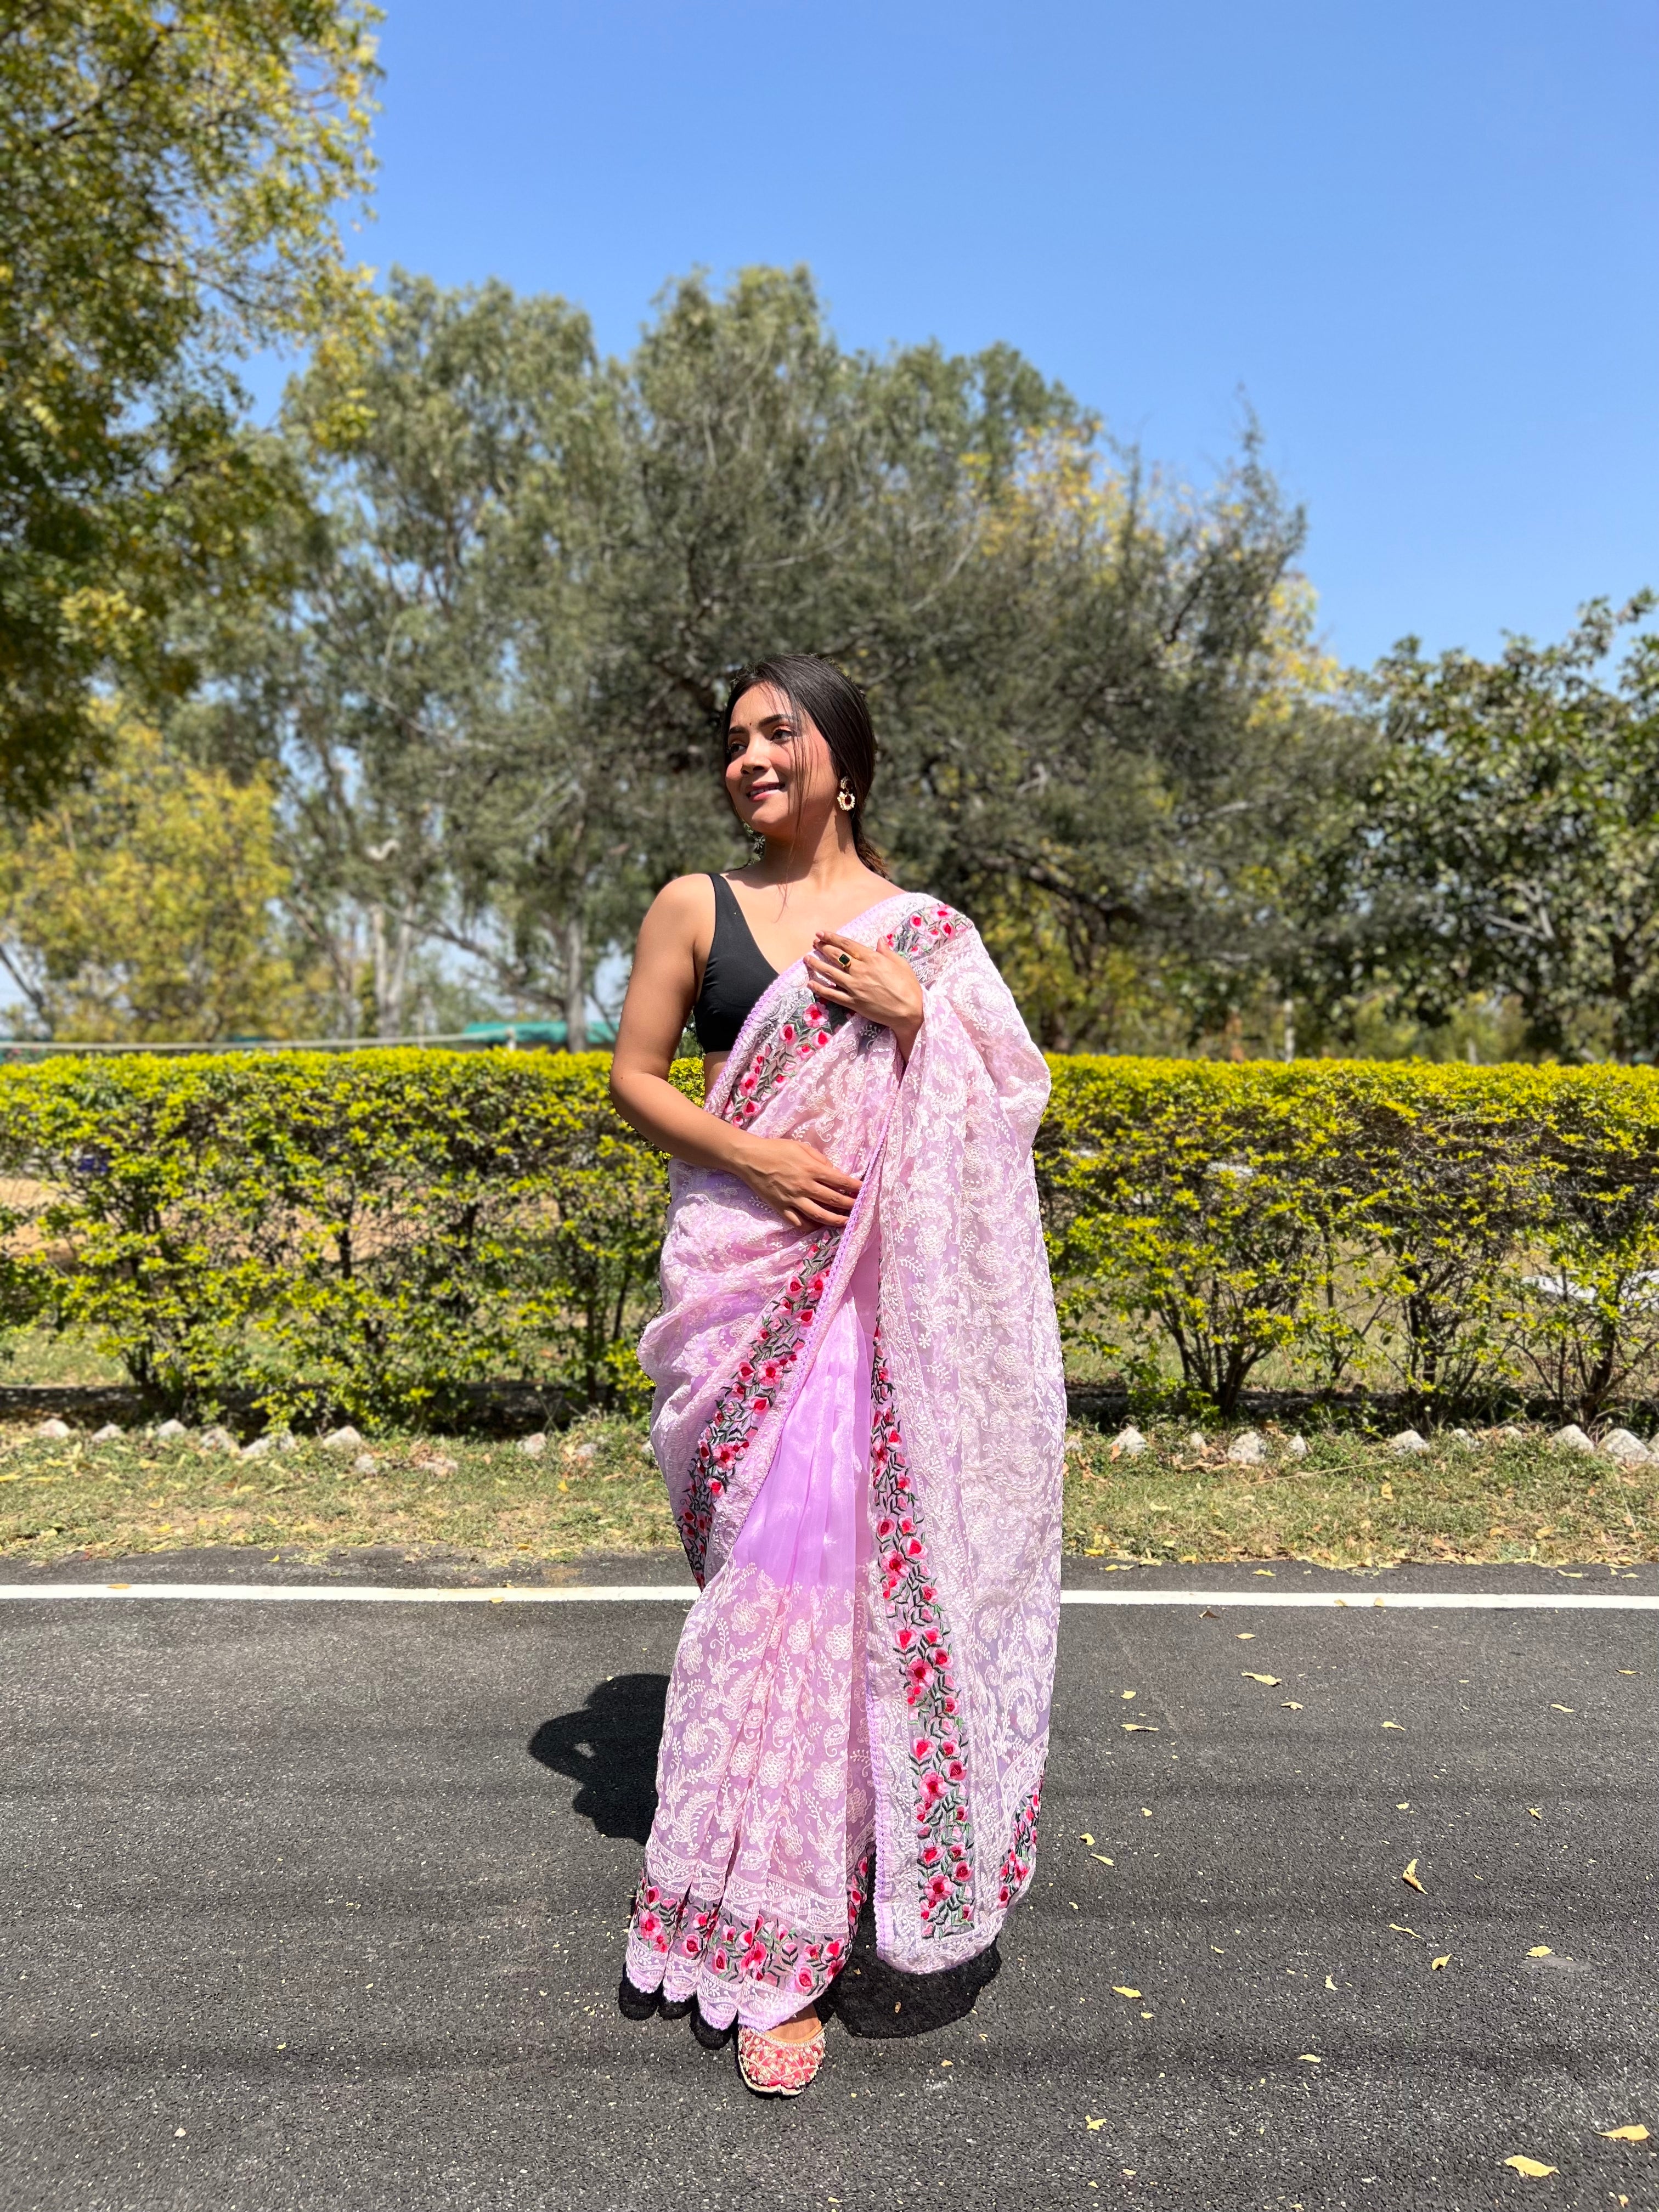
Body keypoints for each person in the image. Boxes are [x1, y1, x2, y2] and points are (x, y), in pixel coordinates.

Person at [608, 653, 1064, 2097]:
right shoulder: (699, 906)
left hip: (894, 1330)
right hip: (754, 1309)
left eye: (776, 733)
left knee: (869, 1608)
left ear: (843, 762)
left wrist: (919, 1013)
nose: (747, 758)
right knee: (778, 1604)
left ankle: (810, 1923)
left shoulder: (927, 934)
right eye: (733, 740)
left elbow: (1014, 1096)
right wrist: (756, 1154)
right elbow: (637, 1079)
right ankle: (770, 1919)